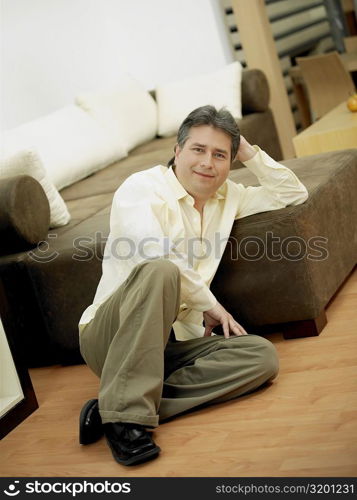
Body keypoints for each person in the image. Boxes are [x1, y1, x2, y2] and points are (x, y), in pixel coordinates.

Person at [78, 105, 308, 466]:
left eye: (220, 155)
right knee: (160, 270)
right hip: (110, 338)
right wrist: (211, 305)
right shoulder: (141, 188)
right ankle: (124, 418)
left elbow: (293, 193)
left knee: (261, 357)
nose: (207, 163)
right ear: (177, 152)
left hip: (168, 344)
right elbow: (156, 255)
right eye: (198, 150)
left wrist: (246, 150)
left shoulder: (229, 196)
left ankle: (116, 404)